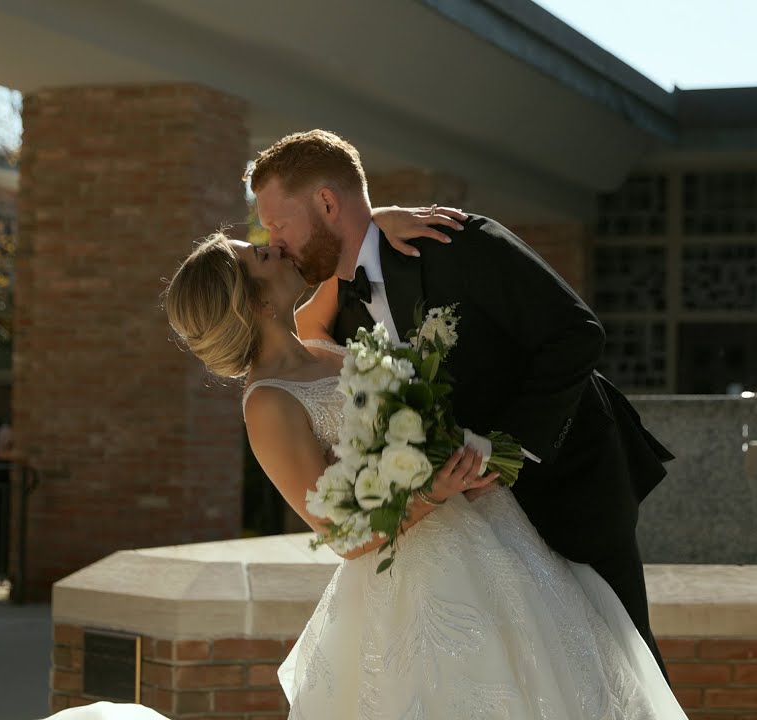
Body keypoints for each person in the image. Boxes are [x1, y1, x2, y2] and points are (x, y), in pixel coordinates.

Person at [157, 226, 685, 717]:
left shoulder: (313, 335)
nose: (273, 245)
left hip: (497, 530)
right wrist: (431, 493)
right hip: (418, 578)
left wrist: (378, 218)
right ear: (254, 301)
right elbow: (340, 533)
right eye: (259, 256)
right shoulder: (268, 406)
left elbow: (348, 250)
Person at [248, 129, 676, 680]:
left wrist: (506, 449)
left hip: (572, 483)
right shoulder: (331, 313)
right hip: (473, 539)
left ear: (327, 203)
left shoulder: (459, 242)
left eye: (279, 224)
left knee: (627, 670)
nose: (275, 242)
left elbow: (576, 334)